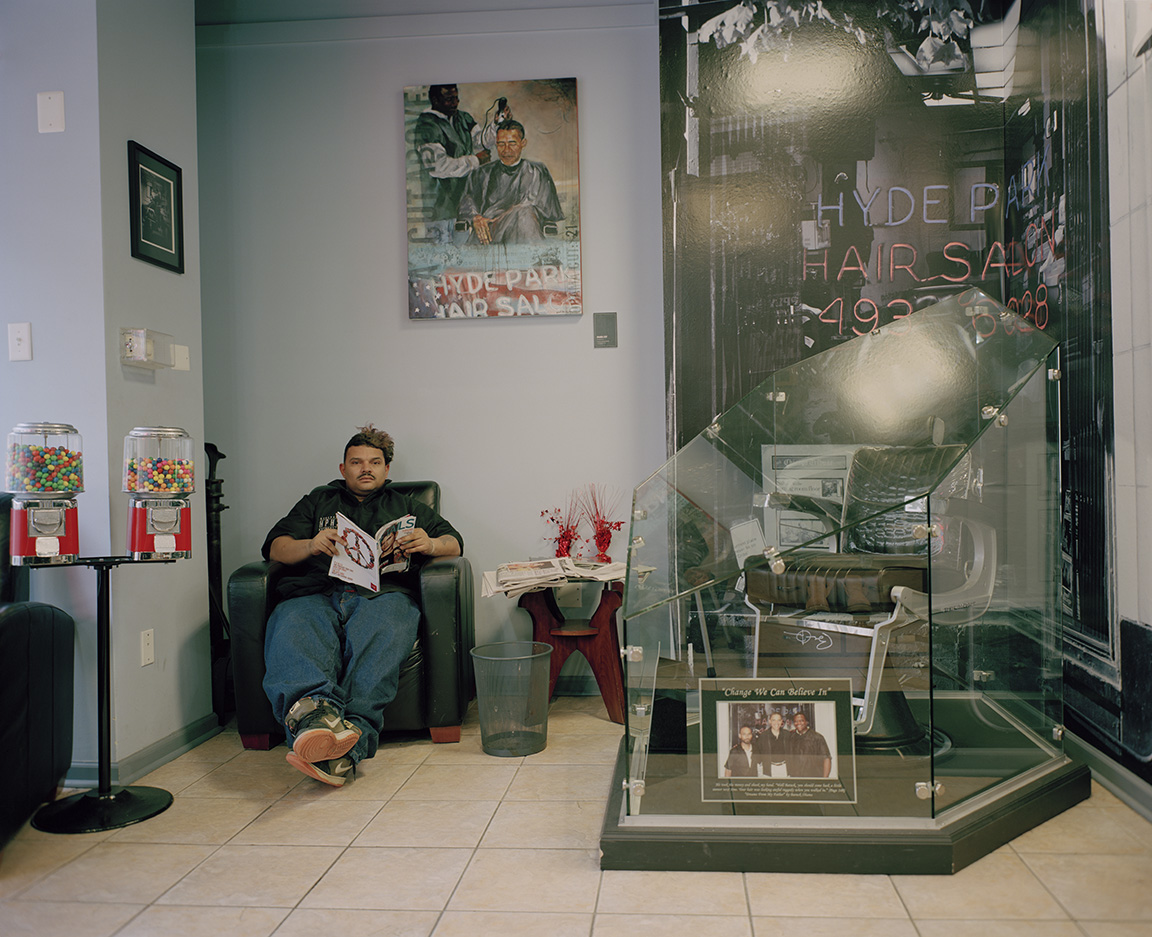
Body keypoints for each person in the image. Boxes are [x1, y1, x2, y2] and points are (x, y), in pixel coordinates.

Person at [261, 424, 463, 786]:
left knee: (385, 628)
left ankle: (335, 742)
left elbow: (454, 542)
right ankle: (316, 721)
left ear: (387, 470)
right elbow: (276, 547)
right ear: (343, 469)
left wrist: (429, 544)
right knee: (293, 624)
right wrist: (310, 545)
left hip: (382, 595)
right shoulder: (317, 500)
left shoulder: (406, 506)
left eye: (374, 462)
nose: (365, 468)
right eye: (356, 462)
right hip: (316, 591)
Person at [413, 84, 506, 245]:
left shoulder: (463, 118)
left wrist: (496, 124)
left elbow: (480, 141)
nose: (455, 103)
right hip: (441, 207)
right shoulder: (427, 125)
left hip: (465, 204)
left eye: (456, 98)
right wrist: (476, 161)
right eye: (449, 99)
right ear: (435, 100)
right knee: (444, 257)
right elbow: (439, 167)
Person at [459, 120, 563, 245]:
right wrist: (475, 217)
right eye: (501, 144)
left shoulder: (537, 171)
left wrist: (507, 217)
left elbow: (546, 211)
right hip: (489, 234)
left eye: (512, 143)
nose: (506, 150)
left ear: (523, 143)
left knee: (524, 213)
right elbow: (466, 202)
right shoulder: (482, 173)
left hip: (524, 232)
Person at [787, 711, 832, 778]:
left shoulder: (817, 737)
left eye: (801, 721)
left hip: (814, 778)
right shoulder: (791, 737)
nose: (798, 723)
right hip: (796, 778)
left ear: (806, 722)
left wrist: (824, 779)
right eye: (796, 721)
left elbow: (826, 759)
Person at [754, 710, 790, 777]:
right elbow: (757, 752)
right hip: (769, 768)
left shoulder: (787, 734)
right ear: (770, 721)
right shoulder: (763, 736)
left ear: (782, 721)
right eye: (773, 720)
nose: (776, 722)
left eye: (779, 720)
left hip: (785, 768)